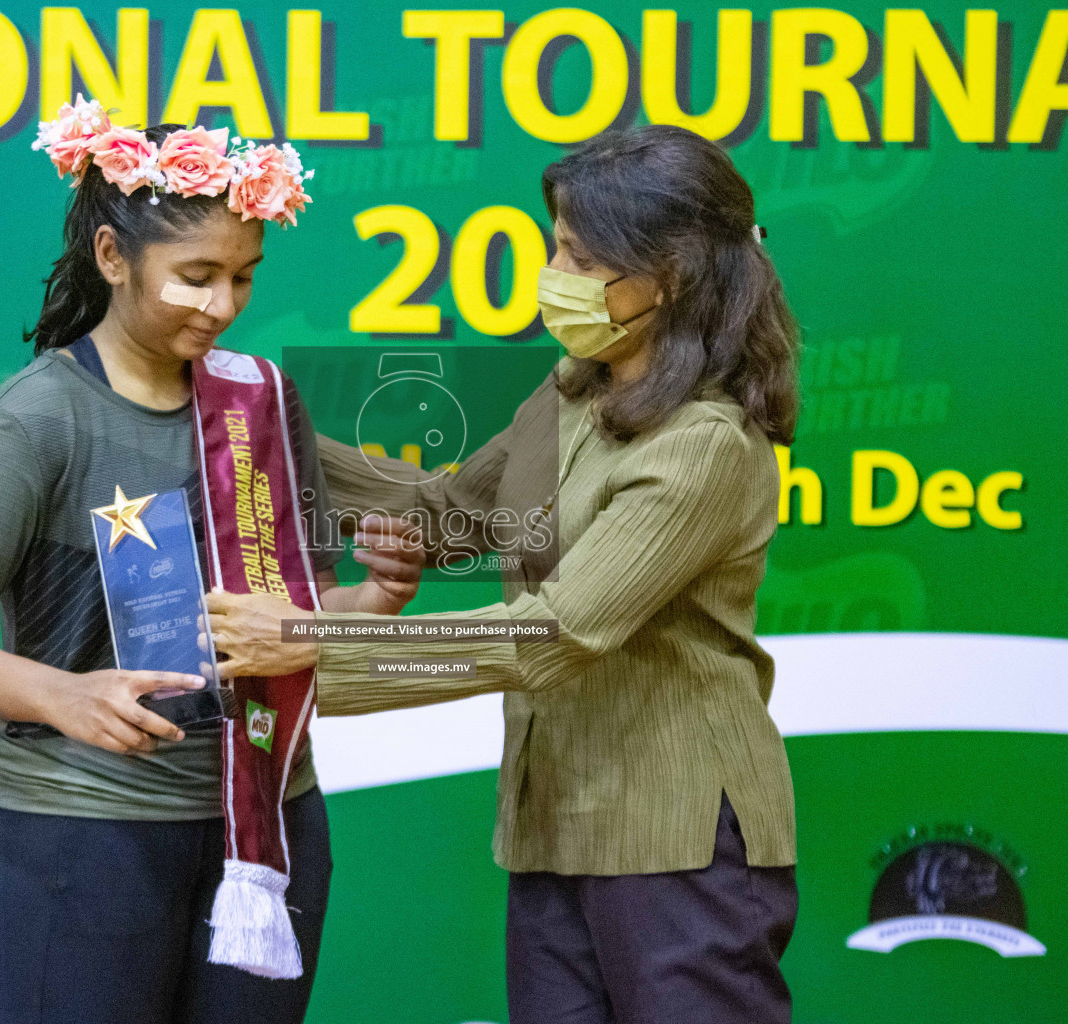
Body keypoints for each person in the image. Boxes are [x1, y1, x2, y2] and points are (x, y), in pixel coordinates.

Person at [206, 125, 801, 1024]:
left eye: (578, 255)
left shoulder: (705, 446)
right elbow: (449, 516)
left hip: (678, 839)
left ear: (666, 276)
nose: (552, 272)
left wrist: (309, 641)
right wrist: (250, 424)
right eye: (556, 244)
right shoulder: (572, 392)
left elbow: (552, 634)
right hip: (554, 823)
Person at [0, 98, 423, 1024]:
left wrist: (376, 600)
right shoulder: (33, 422)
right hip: (85, 837)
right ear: (112, 258)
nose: (223, 305)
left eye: (244, 278)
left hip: (266, 829)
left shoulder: (261, 401)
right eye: (196, 276)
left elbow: (298, 628)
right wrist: (64, 695)